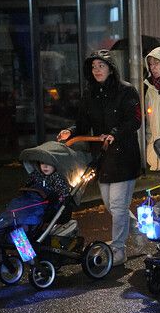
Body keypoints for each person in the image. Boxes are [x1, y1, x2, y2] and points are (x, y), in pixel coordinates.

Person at [58, 50, 141, 266]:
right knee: (112, 206)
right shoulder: (90, 94)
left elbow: (134, 121)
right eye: (94, 67)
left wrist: (115, 132)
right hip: (103, 157)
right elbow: (83, 124)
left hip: (124, 156)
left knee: (118, 205)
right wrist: (71, 132)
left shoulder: (127, 91)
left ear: (111, 68)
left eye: (101, 66)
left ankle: (118, 249)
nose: (97, 70)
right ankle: (140, 230)